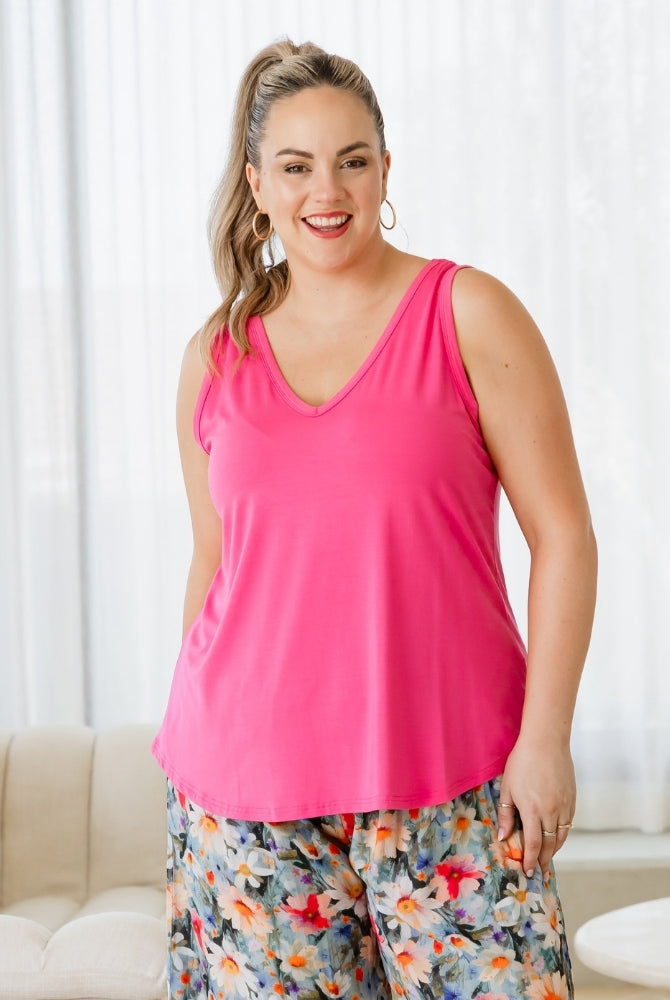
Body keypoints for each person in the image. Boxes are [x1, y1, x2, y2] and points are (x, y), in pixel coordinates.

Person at [152, 38, 597, 1000]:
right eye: (297, 165)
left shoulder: (468, 312)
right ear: (257, 183)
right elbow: (215, 564)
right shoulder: (214, 357)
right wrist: (192, 755)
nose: (329, 189)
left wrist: (547, 737)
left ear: (386, 169)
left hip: (460, 784)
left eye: (353, 159)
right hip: (247, 797)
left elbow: (562, 535)